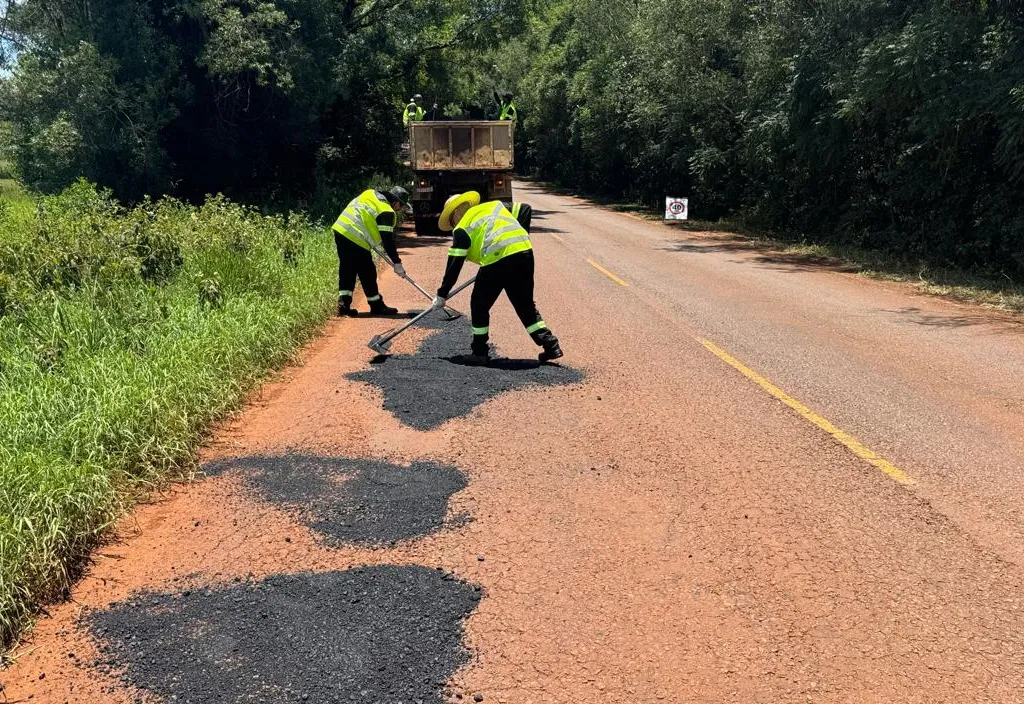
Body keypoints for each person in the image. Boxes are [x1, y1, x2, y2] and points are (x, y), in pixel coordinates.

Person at [432, 191, 562, 363]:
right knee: (524, 304)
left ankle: (479, 352)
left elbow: (454, 265)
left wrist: (442, 294)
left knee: (479, 304)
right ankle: (551, 345)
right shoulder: (494, 206)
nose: (452, 224)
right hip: (523, 252)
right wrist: (519, 238)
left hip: (497, 259)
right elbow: (525, 209)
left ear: (456, 212)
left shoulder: (462, 228)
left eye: (451, 220)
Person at [332, 186, 410, 317]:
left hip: (341, 229)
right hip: (356, 236)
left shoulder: (371, 194)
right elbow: (388, 240)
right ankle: (376, 305)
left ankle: (344, 304)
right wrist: (397, 262)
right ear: (396, 202)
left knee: (348, 268)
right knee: (367, 270)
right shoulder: (386, 211)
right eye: (401, 206)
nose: (400, 209)